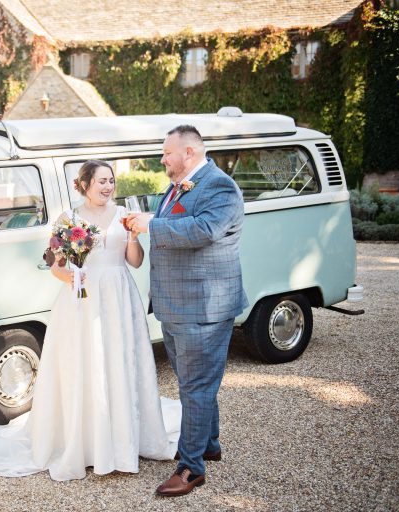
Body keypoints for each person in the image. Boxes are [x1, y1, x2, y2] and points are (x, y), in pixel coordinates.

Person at [0, 160, 179, 481]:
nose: (107, 186)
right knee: (86, 365)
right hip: (81, 302)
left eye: (111, 181)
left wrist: (132, 236)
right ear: (85, 184)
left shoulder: (123, 216)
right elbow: (57, 266)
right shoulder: (69, 219)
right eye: (101, 181)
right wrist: (73, 278)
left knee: (120, 363)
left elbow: (136, 261)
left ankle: (124, 439)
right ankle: (87, 443)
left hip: (119, 296)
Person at [126, 125, 248, 496]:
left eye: (167, 153)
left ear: (189, 153)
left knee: (195, 387)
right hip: (175, 304)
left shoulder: (220, 186)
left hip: (203, 307)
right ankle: (209, 444)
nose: (162, 159)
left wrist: (153, 224)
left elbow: (205, 230)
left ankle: (191, 468)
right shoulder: (177, 185)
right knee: (193, 384)